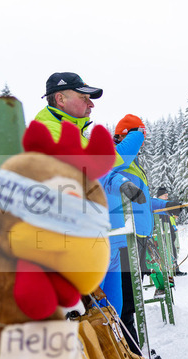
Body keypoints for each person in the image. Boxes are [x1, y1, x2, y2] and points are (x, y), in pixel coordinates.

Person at [35, 72, 145, 315]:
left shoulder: (74, 133)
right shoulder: (50, 132)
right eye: (84, 97)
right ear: (60, 99)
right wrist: (135, 137)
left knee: (112, 316)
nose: (91, 104)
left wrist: (118, 181)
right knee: (94, 320)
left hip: (104, 240)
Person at [112, 114, 178, 354]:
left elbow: (143, 201)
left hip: (138, 239)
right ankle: (132, 354)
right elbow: (114, 160)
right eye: (139, 138)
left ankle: (134, 351)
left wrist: (166, 205)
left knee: (132, 299)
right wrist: (136, 134)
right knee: (126, 302)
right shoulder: (114, 156)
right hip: (122, 241)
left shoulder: (131, 164)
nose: (141, 143)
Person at [156, 187, 187, 276]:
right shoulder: (157, 206)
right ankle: (165, 272)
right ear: (159, 196)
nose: (167, 197)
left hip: (170, 234)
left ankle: (176, 270)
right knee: (163, 255)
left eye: (167, 195)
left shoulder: (166, 206)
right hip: (161, 235)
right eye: (165, 196)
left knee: (173, 253)